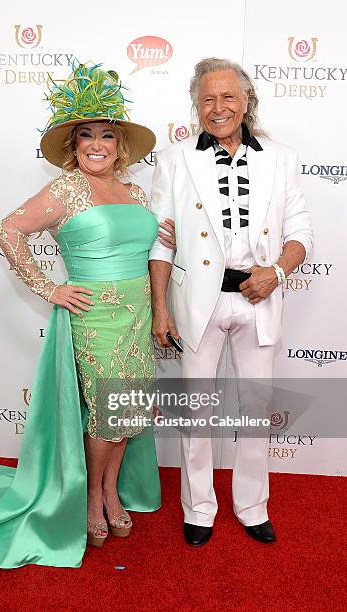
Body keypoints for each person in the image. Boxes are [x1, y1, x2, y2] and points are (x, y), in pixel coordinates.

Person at [0, 61, 176, 568]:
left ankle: (113, 491)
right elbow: (8, 231)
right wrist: (50, 287)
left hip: (137, 315)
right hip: (95, 317)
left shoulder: (136, 193)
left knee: (127, 412)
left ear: (121, 144)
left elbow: (148, 245)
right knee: (108, 414)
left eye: (107, 135)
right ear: (72, 146)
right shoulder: (65, 190)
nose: (98, 144)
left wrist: (166, 240)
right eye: (86, 135)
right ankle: (92, 499)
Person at [149, 57, 313, 546]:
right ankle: (198, 509)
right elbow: (161, 242)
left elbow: (300, 231)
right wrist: (160, 307)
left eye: (228, 97)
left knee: (254, 411)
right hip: (198, 302)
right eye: (207, 99)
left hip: (258, 299)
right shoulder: (174, 158)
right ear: (196, 105)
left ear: (246, 101)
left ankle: (251, 505)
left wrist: (278, 272)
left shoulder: (281, 157)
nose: (217, 108)